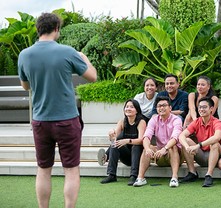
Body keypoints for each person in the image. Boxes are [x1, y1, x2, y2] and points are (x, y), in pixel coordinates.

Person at [18, 13, 97, 208]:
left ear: (38, 29)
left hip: (40, 120)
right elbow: (92, 76)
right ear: (56, 29)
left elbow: (26, 87)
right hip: (67, 120)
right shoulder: (67, 51)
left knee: (43, 169)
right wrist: (85, 59)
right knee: (71, 170)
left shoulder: (24, 55)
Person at [133, 96, 183, 187]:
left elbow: (175, 138)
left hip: (175, 154)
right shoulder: (154, 119)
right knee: (147, 148)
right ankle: (140, 178)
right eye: (159, 106)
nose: (161, 108)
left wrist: (165, 148)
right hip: (159, 153)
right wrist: (147, 148)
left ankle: (174, 178)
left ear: (170, 108)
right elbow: (146, 136)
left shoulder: (177, 120)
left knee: (173, 146)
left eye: (164, 105)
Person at [98, 99, 146, 185]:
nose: (128, 109)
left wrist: (127, 141)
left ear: (137, 110)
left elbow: (141, 140)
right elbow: (114, 139)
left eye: (132, 107)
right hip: (127, 156)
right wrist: (111, 134)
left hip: (138, 157)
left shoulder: (141, 122)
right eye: (127, 107)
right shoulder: (122, 122)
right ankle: (111, 175)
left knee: (136, 146)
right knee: (115, 144)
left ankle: (134, 176)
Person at [179, 97, 221, 187]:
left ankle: (209, 175)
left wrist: (198, 145)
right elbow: (181, 135)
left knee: (214, 144)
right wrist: (187, 147)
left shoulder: (217, 122)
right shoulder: (197, 122)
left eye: (204, 107)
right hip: (201, 155)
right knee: (186, 141)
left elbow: (217, 137)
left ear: (211, 109)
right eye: (199, 107)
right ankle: (192, 173)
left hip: (215, 155)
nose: (201, 109)